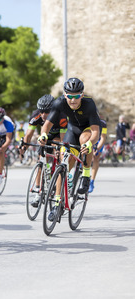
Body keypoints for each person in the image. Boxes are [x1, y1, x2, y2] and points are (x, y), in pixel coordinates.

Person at [38, 77, 100, 220]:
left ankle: (85, 174)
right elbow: (47, 124)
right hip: (72, 131)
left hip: (87, 130)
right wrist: (43, 135)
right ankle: (57, 203)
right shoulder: (59, 103)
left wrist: (90, 143)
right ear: (65, 95)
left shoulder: (89, 104)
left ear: (82, 95)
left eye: (77, 96)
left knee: (84, 141)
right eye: (70, 96)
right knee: (64, 164)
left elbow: (96, 132)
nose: (73, 100)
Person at [20, 94, 68, 206]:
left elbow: (63, 139)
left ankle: (59, 178)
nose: (43, 115)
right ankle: (38, 191)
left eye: (47, 112)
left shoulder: (61, 116)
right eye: (41, 111)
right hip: (44, 136)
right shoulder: (36, 115)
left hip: (58, 136)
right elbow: (28, 134)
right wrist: (24, 148)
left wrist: (60, 150)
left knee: (60, 155)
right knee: (41, 158)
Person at [0, 107, 15, 185]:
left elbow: (8, 140)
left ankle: (0, 175)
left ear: (3, 119)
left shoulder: (8, 124)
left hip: (5, 135)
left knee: (1, 151)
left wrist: (2, 148)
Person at [89, 116, 107, 193]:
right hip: (89, 138)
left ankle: (92, 181)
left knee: (96, 157)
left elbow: (103, 138)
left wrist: (97, 149)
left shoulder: (103, 123)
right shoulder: (86, 120)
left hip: (99, 140)